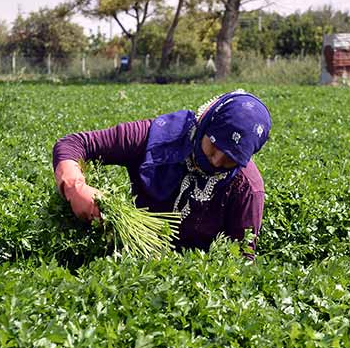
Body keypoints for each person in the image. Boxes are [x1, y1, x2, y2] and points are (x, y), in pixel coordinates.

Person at [52, 90, 272, 255]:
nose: (216, 161)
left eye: (230, 161)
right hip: (130, 253)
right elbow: (75, 143)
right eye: (213, 147)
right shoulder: (158, 136)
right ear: (206, 123)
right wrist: (74, 186)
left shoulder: (247, 189)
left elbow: (241, 257)